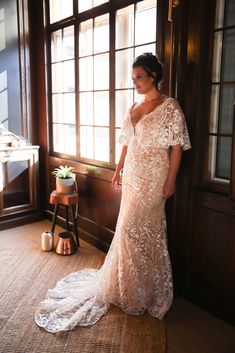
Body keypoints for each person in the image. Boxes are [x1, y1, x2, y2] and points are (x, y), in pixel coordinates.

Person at [35, 53, 191, 333]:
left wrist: (172, 180)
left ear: (153, 76)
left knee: (142, 230)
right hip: (133, 175)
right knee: (128, 230)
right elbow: (126, 144)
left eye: (139, 77)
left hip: (154, 178)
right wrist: (118, 170)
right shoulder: (133, 106)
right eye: (133, 79)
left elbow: (177, 147)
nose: (135, 83)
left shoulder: (170, 107)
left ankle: (146, 290)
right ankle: (127, 286)